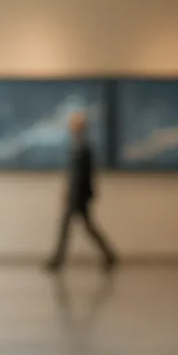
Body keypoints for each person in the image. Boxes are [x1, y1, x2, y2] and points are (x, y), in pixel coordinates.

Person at [45, 112, 118, 273]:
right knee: (83, 227)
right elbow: (72, 174)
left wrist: (78, 194)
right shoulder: (77, 145)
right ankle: (109, 255)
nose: (72, 128)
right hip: (75, 194)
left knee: (74, 227)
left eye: (74, 125)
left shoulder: (84, 147)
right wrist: (67, 190)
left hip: (80, 196)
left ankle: (58, 260)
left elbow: (85, 175)